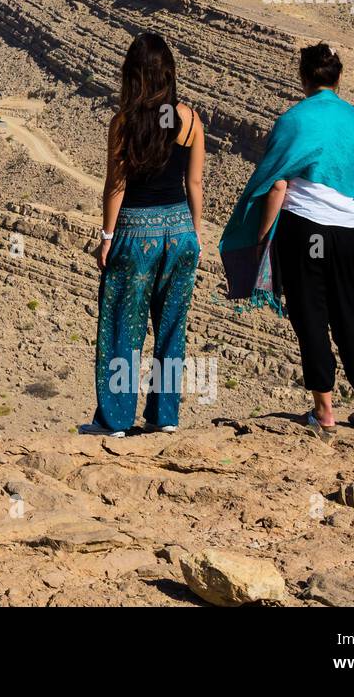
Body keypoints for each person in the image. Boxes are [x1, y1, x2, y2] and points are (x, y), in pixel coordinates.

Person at [220, 43, 354, 437]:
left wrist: (261, 237)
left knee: (310, 314)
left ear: (304, 78)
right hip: (346, 232)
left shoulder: (294, 120)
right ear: (338, 78)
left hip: (305, 230)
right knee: (348, 316)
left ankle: (324, 412)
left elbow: (275, 182)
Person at [87, 32, 205, 437]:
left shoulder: (124, 122)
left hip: (136, 233)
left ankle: (117, 419)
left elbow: (115, 186)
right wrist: (196, 234)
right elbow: (195, 184)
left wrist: (107, 236)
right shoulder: (188, 119)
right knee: (172, 326)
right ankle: (164, 416)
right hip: (180, 232)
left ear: (132, 76)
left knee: (123, 325)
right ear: (168, 73)